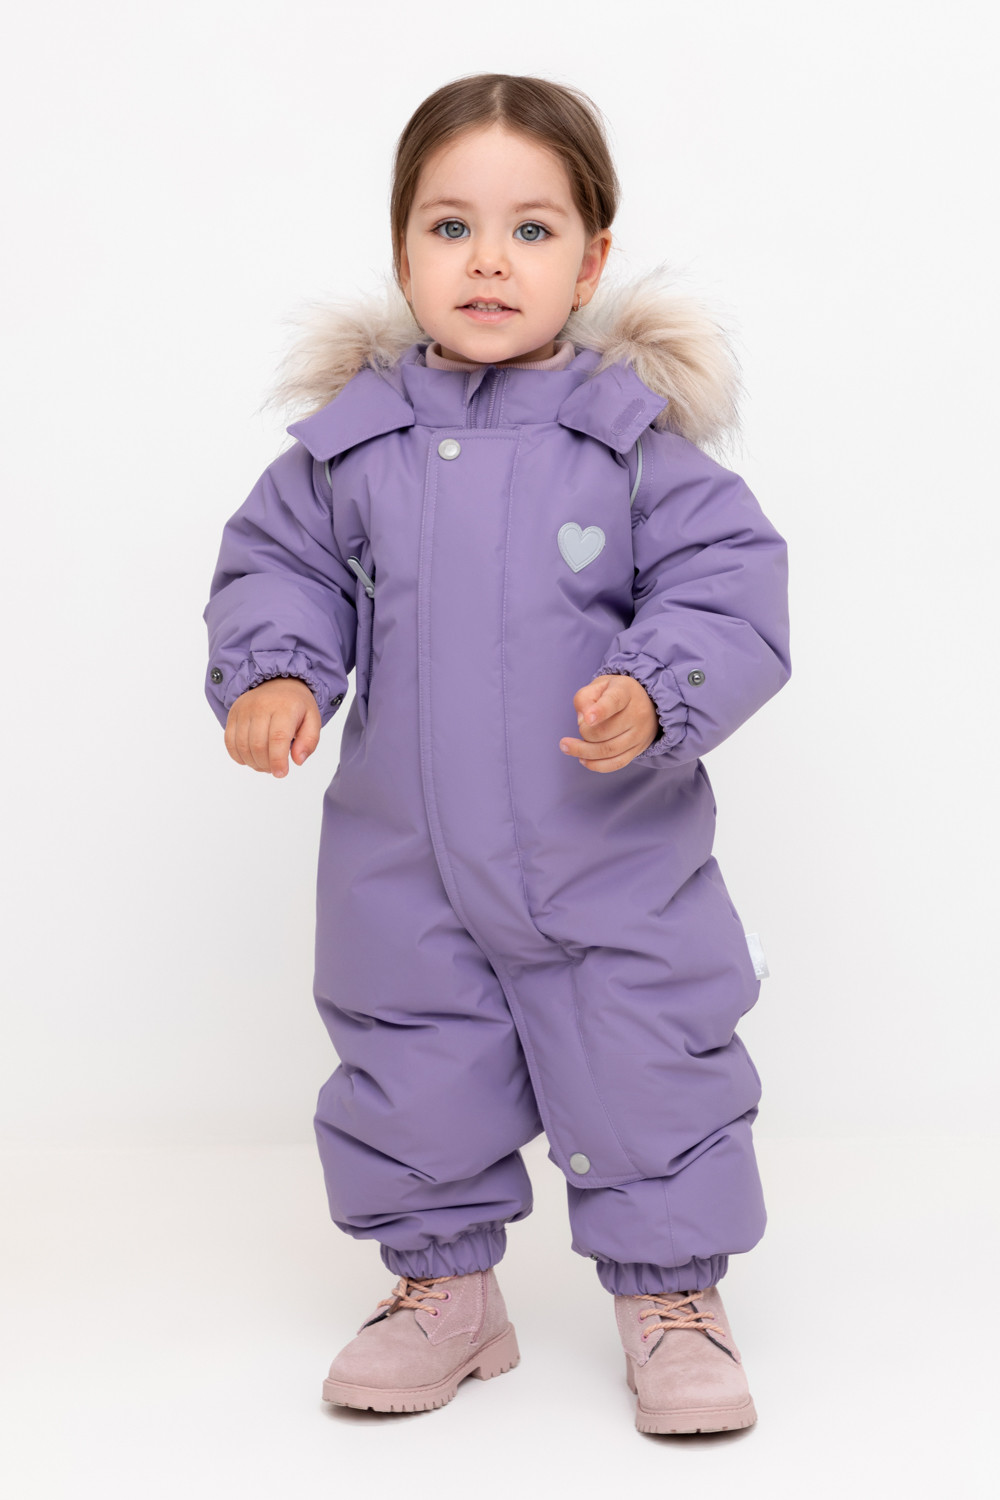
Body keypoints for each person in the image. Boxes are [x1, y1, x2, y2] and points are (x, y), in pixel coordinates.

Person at [202, 72, 791, 1435]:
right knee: (411, 1057)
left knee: (648, 1054)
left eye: (531, 230)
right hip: (404, 857)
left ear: (588, 260)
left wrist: (656, 686)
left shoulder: (630, 447)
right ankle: (444, 1293)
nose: (487, 259)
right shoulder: (351, 453)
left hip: (609, 853)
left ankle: (673, 1297)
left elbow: (728, 582)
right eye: (450, 225)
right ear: (402, 250)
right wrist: (278, 668)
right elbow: (279, 568)